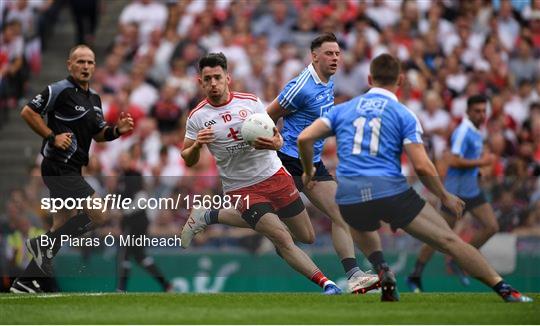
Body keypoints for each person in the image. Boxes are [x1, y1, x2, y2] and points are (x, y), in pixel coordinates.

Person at [297, 53, 532, 303]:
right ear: (400, 80)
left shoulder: (343, 110)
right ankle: (506, 290)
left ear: (369, 78)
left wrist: (309, 170)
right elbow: (421, 165)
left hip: (350, 193)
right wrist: (444, 195)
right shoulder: (403, 114)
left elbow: (304, 138)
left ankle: (382, 267)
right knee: (449, 240)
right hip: (390, 190)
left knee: (359, 217)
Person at [181, 33, 381, 294]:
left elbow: (268, 130)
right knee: (292, 232)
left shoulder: (251, 101)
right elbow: (270, 119)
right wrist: (197, 145)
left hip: (283, 168)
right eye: (208, 79)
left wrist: (275, 142)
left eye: (337, 54)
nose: (213, 83)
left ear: (227, 78)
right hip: (280, 165)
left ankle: (210, 215)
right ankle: (344, 277)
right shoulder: (199, 117)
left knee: (306, 236)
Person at [11, 44, 134, 293]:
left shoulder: (94, 99)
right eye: (80, 62)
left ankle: (25, 281)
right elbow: (27, 112)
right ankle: (42, 245)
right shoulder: (59, 90)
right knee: (99, 214)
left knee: (60, 226)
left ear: (94, 66)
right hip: (58, 167)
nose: (85, 66)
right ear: (70, 65)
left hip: (73, 169)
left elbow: (99, 134)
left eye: (90, 62)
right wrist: (51, 136)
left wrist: (117, 130)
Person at [407, 95, 500, 292]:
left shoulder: (476, 131)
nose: (481, 115)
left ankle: (459, 261)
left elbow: (467, 160)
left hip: (472, 191)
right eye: (477, 111)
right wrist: (482, 162)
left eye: (484, 111)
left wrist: (478, 171)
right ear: (468, 112)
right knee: (439, 237)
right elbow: (453, 160)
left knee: (492, 226)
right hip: (456, 194)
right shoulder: (463, 131)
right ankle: (415, 274)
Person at [116, 151, 171, 292]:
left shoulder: (134, 176)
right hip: (132, 222)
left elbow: (141, 199)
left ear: (130, 161)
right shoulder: (122, 177)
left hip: (136, 222)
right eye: (120, 159)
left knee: (126, 254)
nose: (122, 162)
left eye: (124, 159)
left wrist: (124, 212)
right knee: (139, 256)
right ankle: (165, 284)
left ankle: (121, 289)